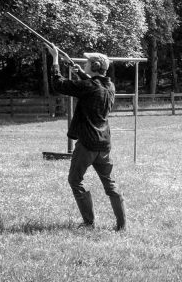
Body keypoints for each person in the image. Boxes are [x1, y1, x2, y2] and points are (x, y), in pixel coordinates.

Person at [46, 44, 126, 231]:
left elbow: (58, 84)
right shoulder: (110, 86)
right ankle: (122, 226)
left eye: (88, 62)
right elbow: (94, 86)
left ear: (96, 66)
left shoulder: (89, 86)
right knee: (110, 185)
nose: (86, 63)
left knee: (75, 180)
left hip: (87, 145)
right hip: (104, 144)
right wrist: (81, 72)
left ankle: (89, 222)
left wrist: (55, 59)